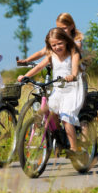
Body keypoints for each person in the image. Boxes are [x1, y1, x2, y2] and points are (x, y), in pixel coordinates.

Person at [17, 27, 85, 156]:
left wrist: (72, 76)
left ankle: (74, 148)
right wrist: (26, 76)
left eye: (60, 43)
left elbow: (75, 71)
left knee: (66, 116)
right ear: (50, 45)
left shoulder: (73, 53)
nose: (57, 47)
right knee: (48, 113)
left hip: (73, 89)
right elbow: (39, 67)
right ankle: (59, 140)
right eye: (53, 45)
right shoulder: (51, 55)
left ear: (66, 41)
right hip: (58, 89)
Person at [17, 12, 84, 64]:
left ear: (72, 26)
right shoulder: (57, 40)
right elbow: (41, 52)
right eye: (59, 28)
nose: (62, 31)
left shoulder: (77, 40)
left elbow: (75, 50)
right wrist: (27, 60)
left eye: (64, 28)